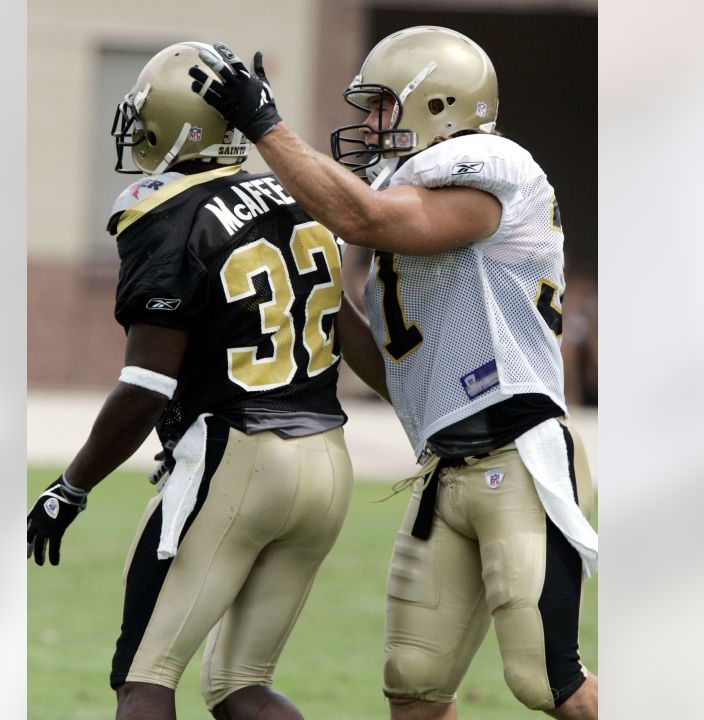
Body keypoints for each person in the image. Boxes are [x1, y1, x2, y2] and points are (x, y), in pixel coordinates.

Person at [189, 27, 599, 720]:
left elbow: (365, 215)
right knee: (413, 687)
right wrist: (305, 277)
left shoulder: (488, 168)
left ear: (438, 102)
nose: (368, 125)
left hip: (520, 457)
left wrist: (265, 125)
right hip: (446, 468)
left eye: (381, 107)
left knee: (546, 683)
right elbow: (398, 373)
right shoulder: (401, 192)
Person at [27, 42, 353, 720]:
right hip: (328, 460)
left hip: (237, 460)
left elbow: (147, 384)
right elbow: (350, 330)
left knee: (145, 676)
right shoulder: (293, 191)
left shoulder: (167, 215)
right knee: (242, 686)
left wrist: (72, 485)